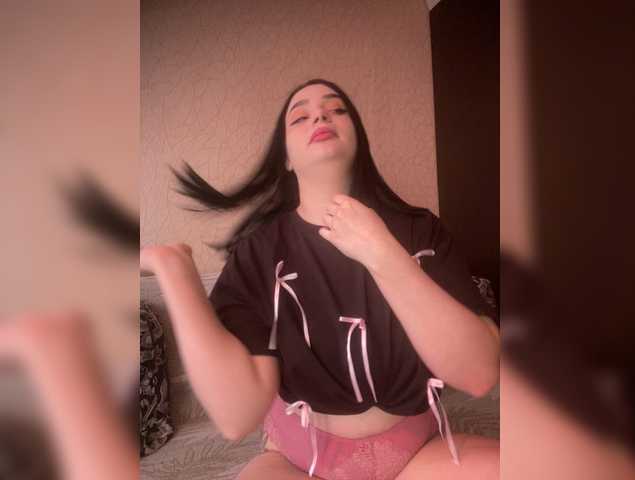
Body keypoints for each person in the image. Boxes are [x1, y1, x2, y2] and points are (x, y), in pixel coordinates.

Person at [141, 78, 500, 479]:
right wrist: (176, 274)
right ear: (286, 159)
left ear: (358, 140)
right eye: (300, 117)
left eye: (337, 109)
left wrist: (382, 252)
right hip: (300, 459)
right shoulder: (259, 251)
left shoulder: (420, 230)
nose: (320, 116)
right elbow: (237, 417)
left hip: (418, 451)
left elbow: (479, 374)